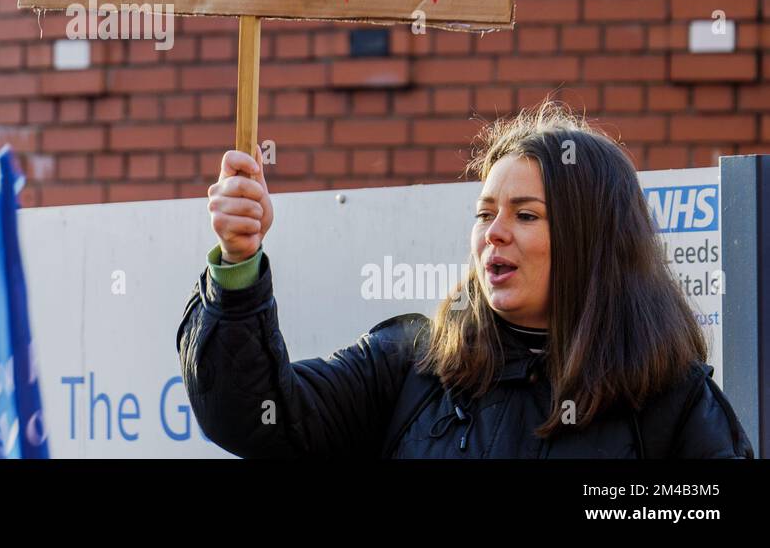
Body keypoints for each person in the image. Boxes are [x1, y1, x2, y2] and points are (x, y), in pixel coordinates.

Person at [177, 101, 754, 458]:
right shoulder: (413, 364)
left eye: (525, 215)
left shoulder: (670, 402)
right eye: (484, 213)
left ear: (593, 241)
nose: (493, 233)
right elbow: (254, 417)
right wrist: (238, 264)